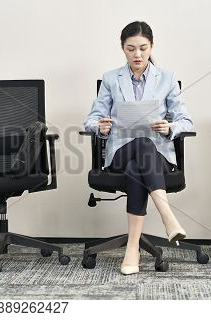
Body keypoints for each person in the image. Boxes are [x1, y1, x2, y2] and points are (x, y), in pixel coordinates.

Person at [83, 21, 193, 275]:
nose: (137, 54)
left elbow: (186, 120)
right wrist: (100, 126)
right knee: (139, 148)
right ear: (123, 49)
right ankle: (167, 215)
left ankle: (132, 248)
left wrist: (170, 128)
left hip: (158, 155)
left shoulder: (166, 78)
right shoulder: (111, 79)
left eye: (143, 48)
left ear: (151, 46)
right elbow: (90, 120)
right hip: (120, 150)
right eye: (131, 49)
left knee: (138, 164)